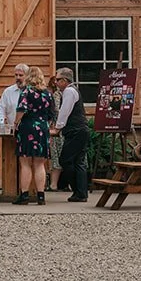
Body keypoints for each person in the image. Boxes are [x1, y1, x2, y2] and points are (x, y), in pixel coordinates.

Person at [14, 71, 56, 205]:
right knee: (39, 164)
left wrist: (16, 123)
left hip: (27, 127)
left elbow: (21, 109)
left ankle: (24, 195)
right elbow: (52, 114)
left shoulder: (26, 92)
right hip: (43, 128)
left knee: (25, 162)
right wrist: (44, 123)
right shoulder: (48, 94)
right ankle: (41, 196)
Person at [54, 68, 90, 203]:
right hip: (80, 129)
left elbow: (65, 111)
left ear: (64, 80)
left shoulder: (69, 91)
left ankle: (78, 190)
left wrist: (58, 127)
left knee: (66, 159)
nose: (56, 82)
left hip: (76, 130)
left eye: (57, 80)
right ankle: (81, 192)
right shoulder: (73, 90)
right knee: (78, 161)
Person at [0, 64, 27, 134]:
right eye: (16, 75)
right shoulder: (8, 92)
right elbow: (1, 108)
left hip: (28, 131)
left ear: (27, 76)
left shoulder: (32, 93)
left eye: (21, 75)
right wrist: (0, 125)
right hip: (12, 132)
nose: (18, 77)